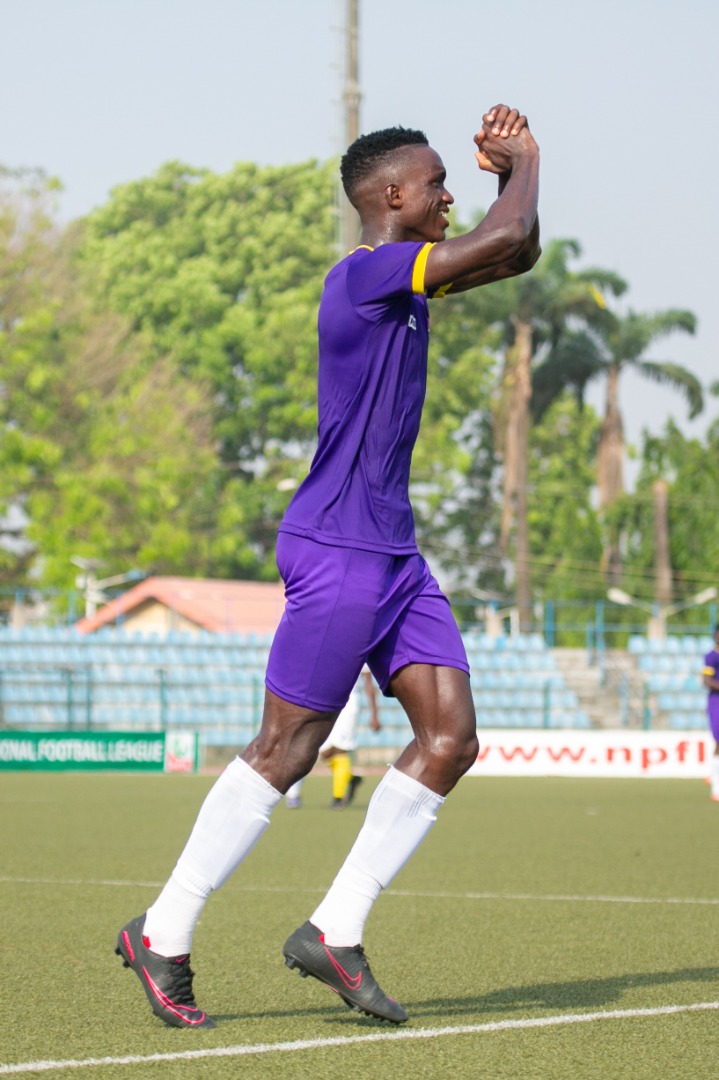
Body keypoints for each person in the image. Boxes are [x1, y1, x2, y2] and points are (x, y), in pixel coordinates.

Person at [115, 102, 540, 1029]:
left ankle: (334, 930)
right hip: (337, 547)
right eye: (434, 184)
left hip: (393, 555)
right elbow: (504, 236)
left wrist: (515, 181)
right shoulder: (365, 275)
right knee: (287, 750)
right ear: (389, 197)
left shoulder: (406, 286)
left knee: (450, 739)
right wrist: (525, 162)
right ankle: (163, 930)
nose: (447, 195)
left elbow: (515, 252)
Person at [285, 666, 381, 809]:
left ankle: (338, 798)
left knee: (340, 750)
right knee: (326, 752)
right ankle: (350, 778)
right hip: (326, 702)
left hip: (349, 706)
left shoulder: (362, 652)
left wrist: (374, 715)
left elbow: (369, 684)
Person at [702, 625, 719, 801]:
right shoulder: (711, 657)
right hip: (716, 702)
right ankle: (716, 787)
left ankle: (712, 774)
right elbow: (706, 680)